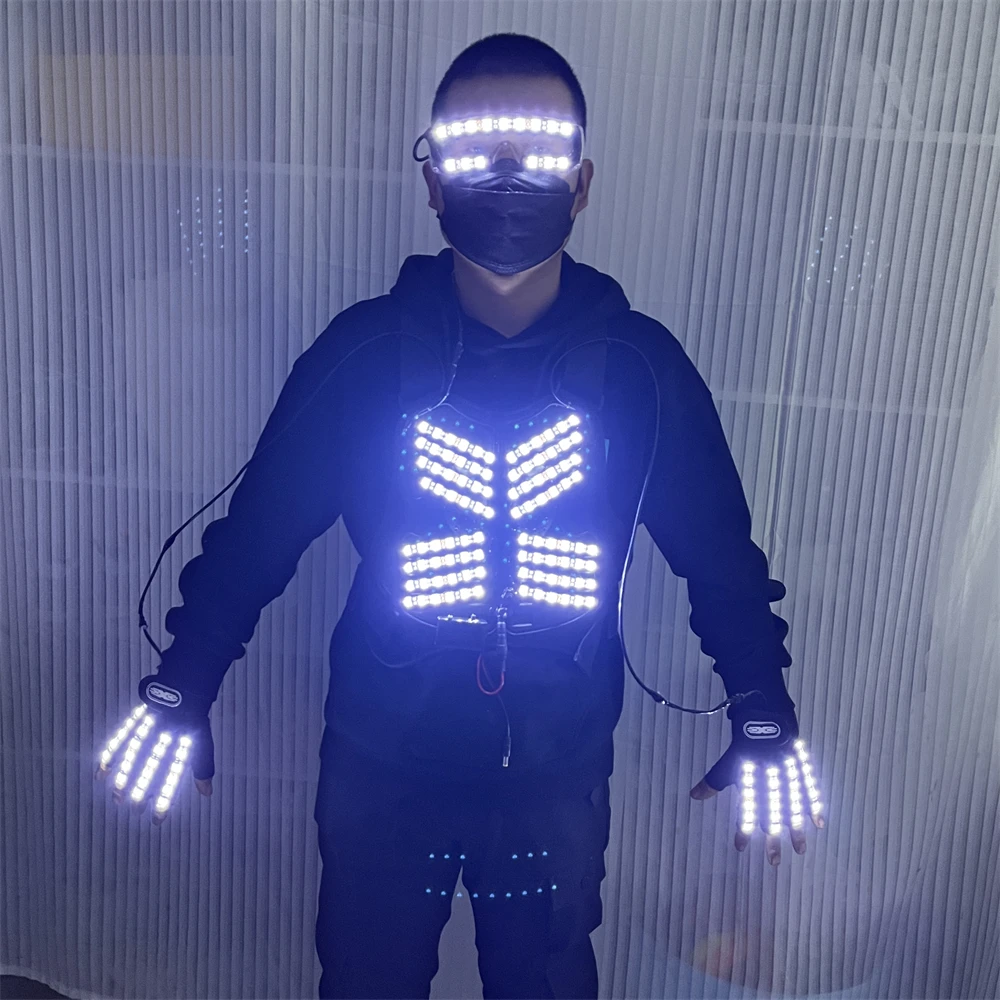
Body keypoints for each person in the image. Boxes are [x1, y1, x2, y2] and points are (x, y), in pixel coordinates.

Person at [96, 32, 823, 1000]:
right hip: (383, 771)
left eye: (539, 147)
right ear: (434, 180)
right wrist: (182, 685)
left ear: (583, 182)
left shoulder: (641, 371)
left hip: (556, 776)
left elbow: (721, 561)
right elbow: (257, 538)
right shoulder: (365, 354)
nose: (510, 173)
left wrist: (763, 708)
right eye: (479, 148)